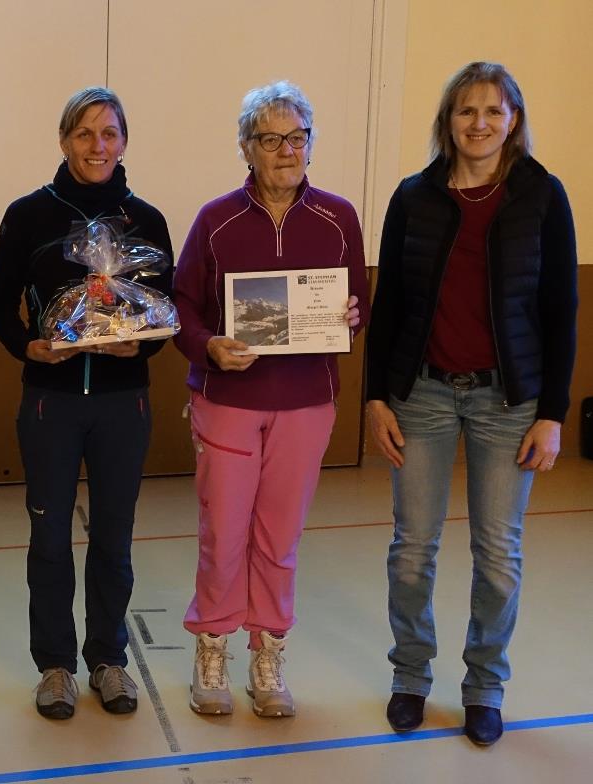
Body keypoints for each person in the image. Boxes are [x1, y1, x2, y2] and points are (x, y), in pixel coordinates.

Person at [366, 61, 577, 746]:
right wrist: (375, 397)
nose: (479, 123)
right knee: (411, 551)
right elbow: (389, 304)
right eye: (466, 111)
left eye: (493, 110)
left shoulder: (543, 197)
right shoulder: (413, 197)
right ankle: (410, 677)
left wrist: (552, 412)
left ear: (513, 119)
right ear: (447, 121)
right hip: (421, 393)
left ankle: (485, 686)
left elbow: (561, 310)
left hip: (507, 401)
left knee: (497, 555)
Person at [173, 81, 368, 719]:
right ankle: (211, 647)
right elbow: (183, 307)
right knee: (223, 533)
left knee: (279, 536)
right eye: (270, 139)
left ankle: (267, 650)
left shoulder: (338, 217)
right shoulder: (215, 219)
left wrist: (349, 314)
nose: (286, 150)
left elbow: (356, 307)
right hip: (229, 398)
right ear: (246, 148)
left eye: (297, 137)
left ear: (309, 144)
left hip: (307, 401)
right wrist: (208, 348)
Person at [0, 87, 172, 720]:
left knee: (115, 540)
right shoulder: (29, 214)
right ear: (64, 140)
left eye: (110, 134)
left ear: (124, 141)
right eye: (85, 133)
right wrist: (29, 348)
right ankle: (56, 665)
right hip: (51, 401)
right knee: (48, 536)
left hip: (124, 403)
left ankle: (108, 659)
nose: (99, 146)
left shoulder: (146, 219)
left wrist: (139, 351)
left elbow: (163, 312)